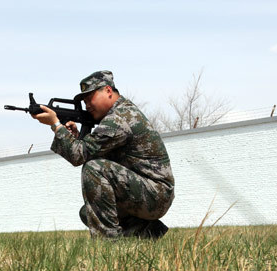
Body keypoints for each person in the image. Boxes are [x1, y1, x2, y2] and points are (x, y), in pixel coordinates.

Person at [32, 70, 174, 239]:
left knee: (94, 168)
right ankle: (148, 232)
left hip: (154, 194)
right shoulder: (120, 113)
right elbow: (90, 151)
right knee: (89, 213)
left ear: (108, 91)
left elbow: (79, 156)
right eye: (84, 101)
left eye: (90, 98)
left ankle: (107, 243)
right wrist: (77, 138)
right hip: (149, 191)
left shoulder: (119, 118)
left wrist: (56, 124)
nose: (87, 105)